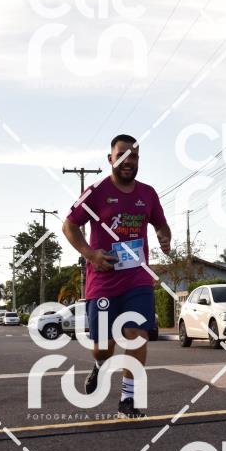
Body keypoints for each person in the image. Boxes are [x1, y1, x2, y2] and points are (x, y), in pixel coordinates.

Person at [62, 134, 171, 419]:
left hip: (138, 280)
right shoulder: (96, 192)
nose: (127, 160)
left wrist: (164, 237)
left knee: (137, 335)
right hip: (103, 283)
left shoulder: (148, 194)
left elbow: (161, 224)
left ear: (138, 160)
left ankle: (127, 400)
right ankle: (99, 366)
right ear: (110, 158)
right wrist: (90, 254)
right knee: (103, 348)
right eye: (121, 154)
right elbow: (69, 226)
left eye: (133, 155)